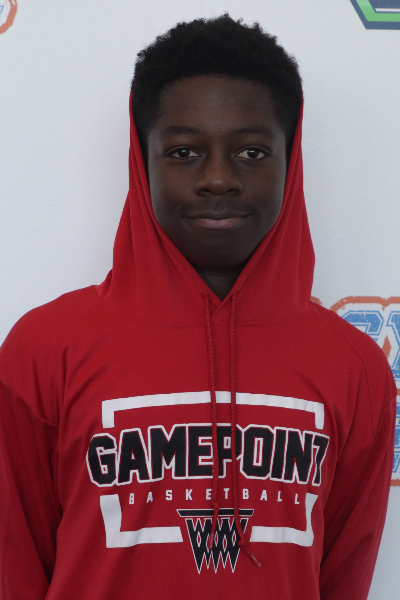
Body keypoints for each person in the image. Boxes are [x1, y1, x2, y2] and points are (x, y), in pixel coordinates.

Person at [0, 14, 396, 600]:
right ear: (143, 161)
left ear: (291, 160)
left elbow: (343, 576)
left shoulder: (355, 367)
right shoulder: (45, 349)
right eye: (184, 151)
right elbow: (15, 564)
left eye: (252, 151)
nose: (217, 179)